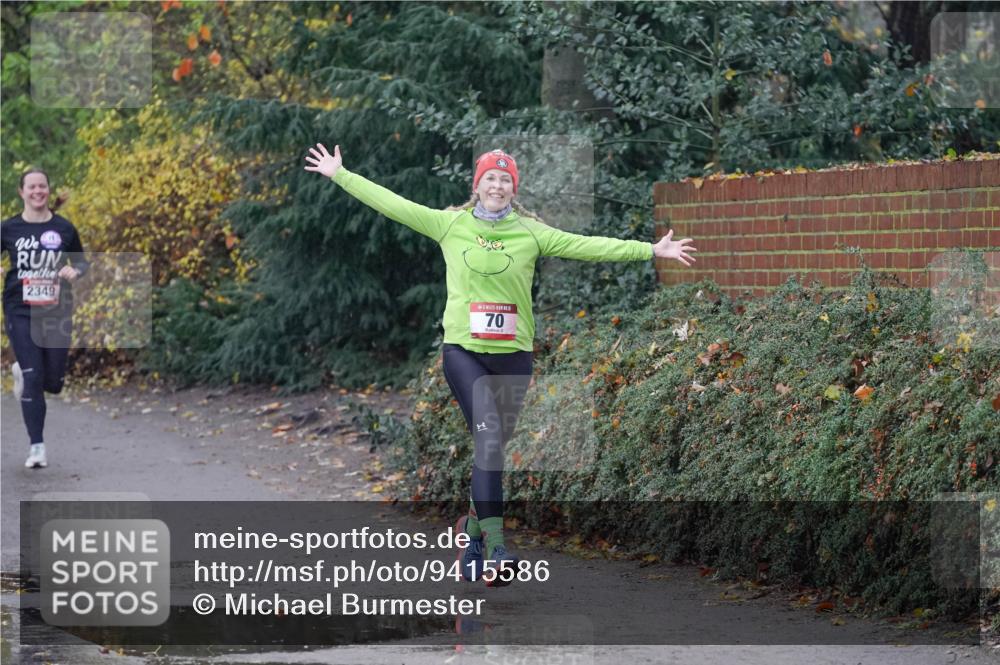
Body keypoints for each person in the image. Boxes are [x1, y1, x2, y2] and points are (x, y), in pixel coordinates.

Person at [304, 144, 696, 586]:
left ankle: (469, 536)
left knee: (492, 452)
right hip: (464, 352)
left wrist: (648, 250)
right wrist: (341, 174)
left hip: (514, 356)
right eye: (490, 178)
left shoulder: (531, 232)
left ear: (513, 189)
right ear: (477, 185)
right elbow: (394, 204)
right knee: (489, 439)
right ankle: (496, 549)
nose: (497, 184)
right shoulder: (450, 223)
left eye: (505, 179)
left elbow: (585, 246)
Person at [2, 168, 88, 469]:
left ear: (48, 191)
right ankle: (36, 446)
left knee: (53, 382)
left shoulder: (64, 228)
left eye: (43, 187)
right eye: (32, 187)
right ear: (21, 192)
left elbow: (81, 262)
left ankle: (22, 373)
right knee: (33, 376)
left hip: (55, 309)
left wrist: (74, 271)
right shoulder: (8, 228)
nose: (38, 192)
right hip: (20, 309)